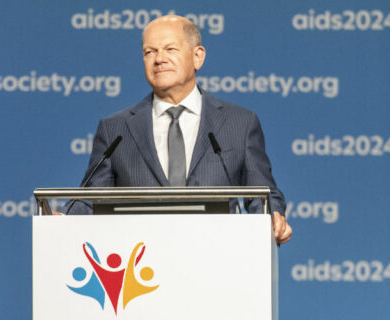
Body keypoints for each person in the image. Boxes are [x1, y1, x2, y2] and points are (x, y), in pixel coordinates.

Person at [64, 15, 292, 245]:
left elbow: (262, 194)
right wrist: (61, 224)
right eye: (149, 52)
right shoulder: (116, 129)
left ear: (198, 57)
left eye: (170, 49)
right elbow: (91, 199)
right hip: (141, 266)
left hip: (218, 259)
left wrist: (273, 218)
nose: (159, 59)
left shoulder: (240, 123)